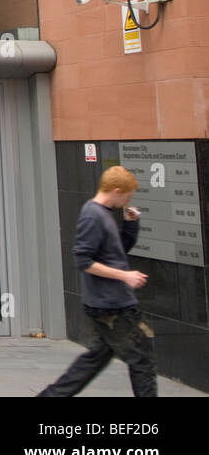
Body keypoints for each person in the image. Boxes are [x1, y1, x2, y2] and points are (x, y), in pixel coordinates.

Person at [38, 166, 156, 397]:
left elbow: (117, 252)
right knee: (142, 360)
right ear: (117, 190)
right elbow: (83, 260)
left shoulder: (102, 213)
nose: (127, 201)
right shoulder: (93, 215)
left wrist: (131, 225)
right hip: (113, 306)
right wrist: (125, 276)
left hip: (106, 303)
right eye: (128, 196)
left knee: (94, 360)